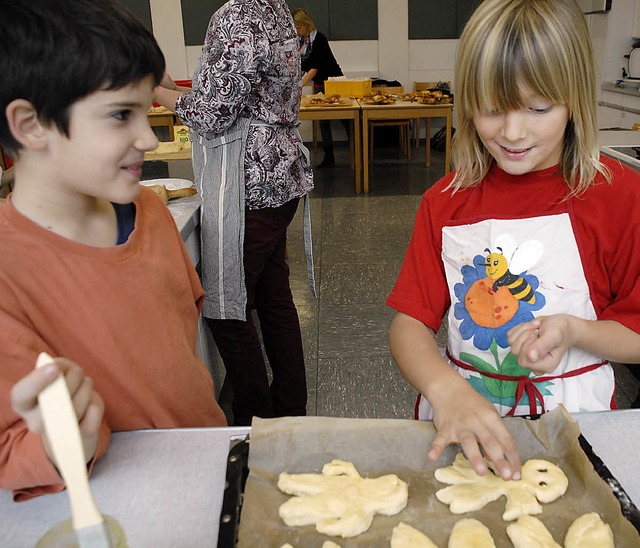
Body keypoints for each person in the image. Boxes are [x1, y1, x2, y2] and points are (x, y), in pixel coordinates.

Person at [387, 0, 640, 483]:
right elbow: (409, 326)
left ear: (576, 99)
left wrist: (575, 331)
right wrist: (447, 390)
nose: (512, 132)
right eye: (491, 109)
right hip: (465, 432)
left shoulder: (619, 198)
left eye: (539, 108)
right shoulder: (445, 202)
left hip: (579, 430)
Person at [0, 0, 227, 501]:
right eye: (121, 114)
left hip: (206, 469)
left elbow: (182, 330)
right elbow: (12, 451)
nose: (147, 137)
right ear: (32, 125)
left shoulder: (150, 210)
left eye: (145, 111)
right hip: (117, 503)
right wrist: (64, 444)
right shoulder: (8, 272)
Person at [155, 0, 313, 426]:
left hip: (247, 183)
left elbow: (212, 114)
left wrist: (157, 93)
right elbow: (239, 96)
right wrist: (175, 89)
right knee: (274, 297)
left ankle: (255, 419)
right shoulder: (273, 8)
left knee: (226, 309)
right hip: (277, 176)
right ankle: (289, 409)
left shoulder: (238, 14)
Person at [292, 7, 349, 168]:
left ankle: (356, 151)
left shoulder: (319, 39)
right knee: (323, 122)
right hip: (320, 84)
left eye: (299, 28)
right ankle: (329, 157)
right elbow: (303, 67)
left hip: (334, 82)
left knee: (347, 120)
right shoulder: (302, 43)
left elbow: (313, 69)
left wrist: (297, 87)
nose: (297, 32)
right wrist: (293, 82)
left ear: (307, 24)